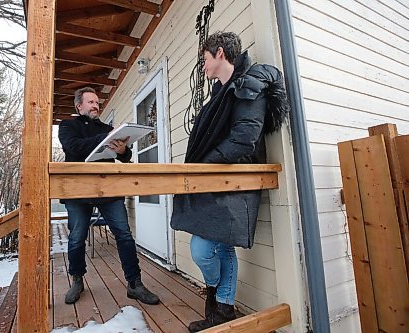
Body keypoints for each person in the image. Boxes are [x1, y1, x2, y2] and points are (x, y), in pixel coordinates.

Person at [170, 32, 289, 332]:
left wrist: (205, 166)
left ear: (220, 54)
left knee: (202, 249)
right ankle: (221, 312)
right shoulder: (220, 93)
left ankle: (216, 298)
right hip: (217, 180)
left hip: (236, 180)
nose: (203, 66)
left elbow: (245, 139)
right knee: (221, 248)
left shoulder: (249, 87)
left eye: (205, 59)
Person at [58, 87, 160, 306]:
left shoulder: (109, 128)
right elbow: (72, 147)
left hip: (109, 188)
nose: (96, 105)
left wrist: (122, 150)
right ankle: (77, 280)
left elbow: (126, 157)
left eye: (97, 102)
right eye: (91, 102)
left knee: (124, 234)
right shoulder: (68, 126)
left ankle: (135, 284)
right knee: (77, 237)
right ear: (79, 106)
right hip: (78, 190)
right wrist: (103, 139)